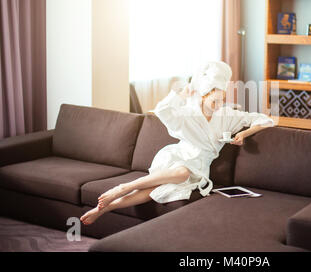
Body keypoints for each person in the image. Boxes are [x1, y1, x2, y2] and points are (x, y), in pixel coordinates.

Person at [80, 61, 274, 225]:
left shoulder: (227, 116)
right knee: (181, 173)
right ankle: (124, 187)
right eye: (214, 101)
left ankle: (104, 209)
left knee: (154, 191)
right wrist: (180, 94)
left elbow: (265, 119)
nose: (218, 106)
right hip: (178, 158)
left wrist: (244, 134)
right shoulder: (188, 114)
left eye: (221, 100)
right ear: (204, 96)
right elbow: (162, 110)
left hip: (200, 167)